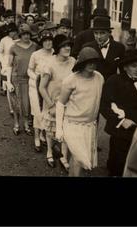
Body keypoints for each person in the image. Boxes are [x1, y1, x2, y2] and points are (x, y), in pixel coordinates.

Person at [100, 49, 137, 176]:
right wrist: (121, 121)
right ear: (125, 67)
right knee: (118, 164)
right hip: (121, 130)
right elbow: (104, 106)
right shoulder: (114, 81)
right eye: (134, 66)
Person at [56, 47, 104, 176]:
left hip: (89, 126)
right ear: (81, 63)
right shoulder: (71, 80)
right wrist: (59, 129)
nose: (92, 64)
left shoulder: (99, 78)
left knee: (80, 162)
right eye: (88, 61)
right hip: (72, 125)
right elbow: (60, 104)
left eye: (94, 61)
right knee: (78, 158)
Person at [39, 34, 76, 170]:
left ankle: (63, 156)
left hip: (69, 102)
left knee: (66, 130)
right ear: (57, 48)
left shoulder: (73, 61)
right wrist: (51, 105)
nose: (67, 48)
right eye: (64, 46)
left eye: (69, 45)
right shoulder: (49, 64)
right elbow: (42, 87)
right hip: (52, 102)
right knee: (51, 131)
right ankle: (49, 151)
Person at [7, 24, 38, 136]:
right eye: (24, 34)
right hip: (16, 78)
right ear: (20, 35)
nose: (26, 36)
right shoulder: (14, 47)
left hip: (29, 79)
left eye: (28, 34)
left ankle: (26, 124)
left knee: (27, 103)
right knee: (16, 102)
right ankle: (16, 124)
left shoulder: (35, 46)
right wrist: (8, 81)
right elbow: (9, 65)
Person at [27, 29, 54, 152]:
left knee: (47, 112)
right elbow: (29, 70)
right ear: (41, 42)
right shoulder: (36, 54)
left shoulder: (55, 54)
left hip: (50, 88)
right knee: (37, 111)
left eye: (50, 41)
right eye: (45, 41)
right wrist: (36, 78)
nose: (48, 43)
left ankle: (45, 134)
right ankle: (37, 137)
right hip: (35, 86)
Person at [81, 15, 126, 81]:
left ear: (109, 33)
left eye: (102, 33)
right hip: (93, 84)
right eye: (96, 33)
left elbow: (123, 71)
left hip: (111, 86)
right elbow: (82, 71)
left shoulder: (119, 48)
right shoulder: (87, 47)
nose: (98, 37)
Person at [0, 22, 19, 115]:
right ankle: (11, 108)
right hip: (6, 65)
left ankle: (18, 106)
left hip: (17, 65)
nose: (12, 34)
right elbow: (0, 52)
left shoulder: (19, 41)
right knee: (8, 84)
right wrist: (3, 63)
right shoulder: (4, 40)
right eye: (10, 32)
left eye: (14, 31)